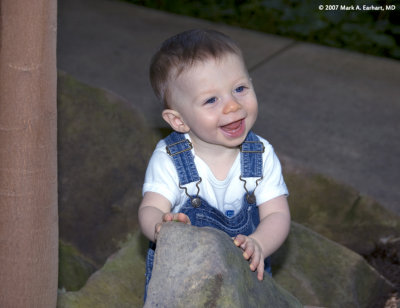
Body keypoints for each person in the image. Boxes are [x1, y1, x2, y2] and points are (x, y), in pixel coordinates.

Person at [138, 29, 291, 299]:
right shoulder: (170, 158)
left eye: (240, 89)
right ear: (178, 121)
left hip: (245, 273)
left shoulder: (261, 154)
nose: (232, 106)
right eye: (211, 100)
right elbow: (150, 207)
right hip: (185, 278)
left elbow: (277, 215)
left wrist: (259, 242)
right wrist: (160, 226)